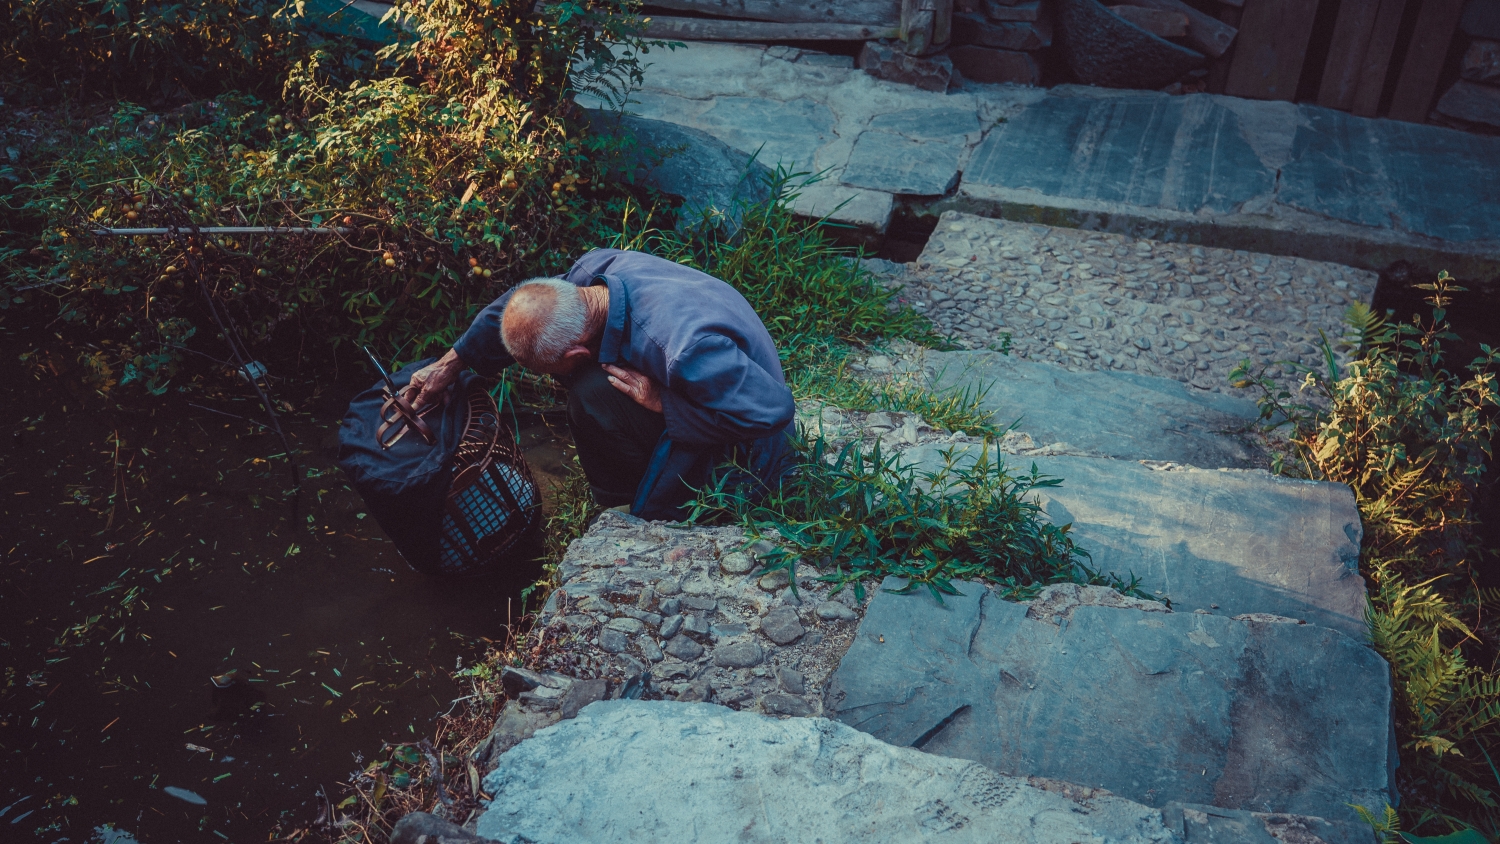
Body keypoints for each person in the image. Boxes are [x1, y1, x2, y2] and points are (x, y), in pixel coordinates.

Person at [409, 248, 796, 521]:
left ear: (576, 354)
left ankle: (623, 508)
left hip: (751, 443)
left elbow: (774, 411)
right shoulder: (591, 275)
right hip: (718, 379)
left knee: (592, 392)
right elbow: (524, 303)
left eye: (549, 371)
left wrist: (665, 402)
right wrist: (452, 362)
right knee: (598, 385)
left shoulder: (683, 350)